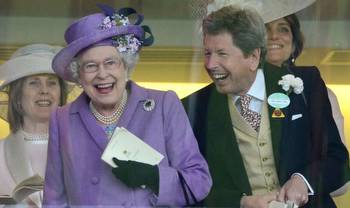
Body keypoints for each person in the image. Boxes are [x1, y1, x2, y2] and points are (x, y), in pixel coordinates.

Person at [42, 5, 212, 207]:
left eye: (111, 62)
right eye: (90, 66)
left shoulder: (163, 106)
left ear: (126, 65)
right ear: (78, 75)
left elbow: (199, 182)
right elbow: (54, 199)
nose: (102, 74)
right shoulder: (62, 119)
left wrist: (154, 177)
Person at [182, 5, 349, 208]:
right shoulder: (193, 107)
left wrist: (303, 181)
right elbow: (188, 187)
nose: (210, 64)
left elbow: (338, 161)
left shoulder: (306, 84)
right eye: (207, 53)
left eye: (221, 54)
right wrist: (241, 202)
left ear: (253, 57)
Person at [265, 12, 350, 197]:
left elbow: (339, 170)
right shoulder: (236, 91)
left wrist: (304, 181)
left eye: (283, 29)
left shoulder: (313, 87)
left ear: (294, 43)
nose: (273, 36)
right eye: (265, 29)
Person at [0, 44, 68, 207]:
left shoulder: (83, 149)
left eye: (52, 83)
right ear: (17, 95)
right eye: (34, 83)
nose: (44, 90)